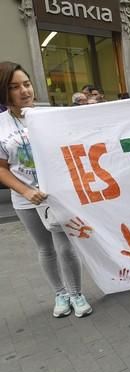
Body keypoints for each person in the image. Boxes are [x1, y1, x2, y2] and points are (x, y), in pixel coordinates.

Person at [0, 61, 93, 318]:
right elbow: (1, 168)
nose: (24, 91)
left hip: (56, 196)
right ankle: (60, 293)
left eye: (27, 84)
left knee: (65, 245)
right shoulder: (1, 125)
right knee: (45, 247)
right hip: (25, 199)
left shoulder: (51, 115)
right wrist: (26, 191)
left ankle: (76, 293)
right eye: (14, 87)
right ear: (4, 92)